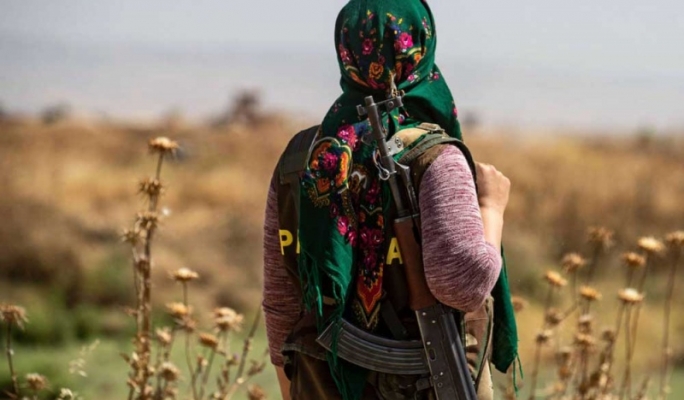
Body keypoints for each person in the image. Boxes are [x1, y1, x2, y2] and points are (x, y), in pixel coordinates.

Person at [263, 1, 519, 399]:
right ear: (420, 48)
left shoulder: (302, 159)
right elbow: (463, 284)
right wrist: (492, 208)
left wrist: (297, 388)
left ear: (346, 51)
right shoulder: (436, 157)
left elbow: (283, 304)